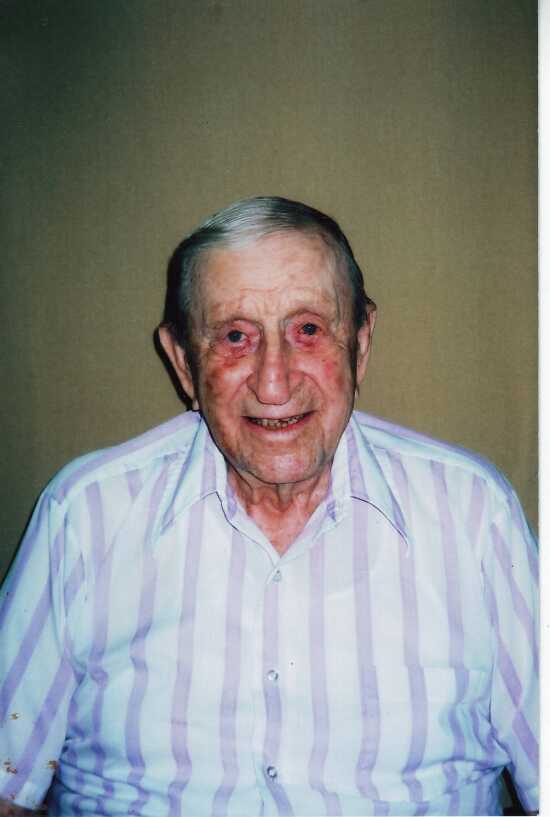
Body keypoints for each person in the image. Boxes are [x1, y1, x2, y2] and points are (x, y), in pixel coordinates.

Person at [0, 197, 538, 816]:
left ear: (361, 343)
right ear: (183, 362)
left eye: (308, 330)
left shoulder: (473, 514)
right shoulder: (86, 516)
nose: (273, 383)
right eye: (235, 337)